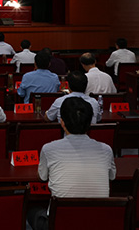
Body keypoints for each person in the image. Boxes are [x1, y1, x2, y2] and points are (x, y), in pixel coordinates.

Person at [29, 97, 116, 230]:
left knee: (31, 210)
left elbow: (42, 177)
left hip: (59, 223)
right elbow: (112, 176)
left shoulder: (49, 149)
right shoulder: (106, 150)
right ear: (90, 123)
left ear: (62, 122)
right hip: (96, 222)